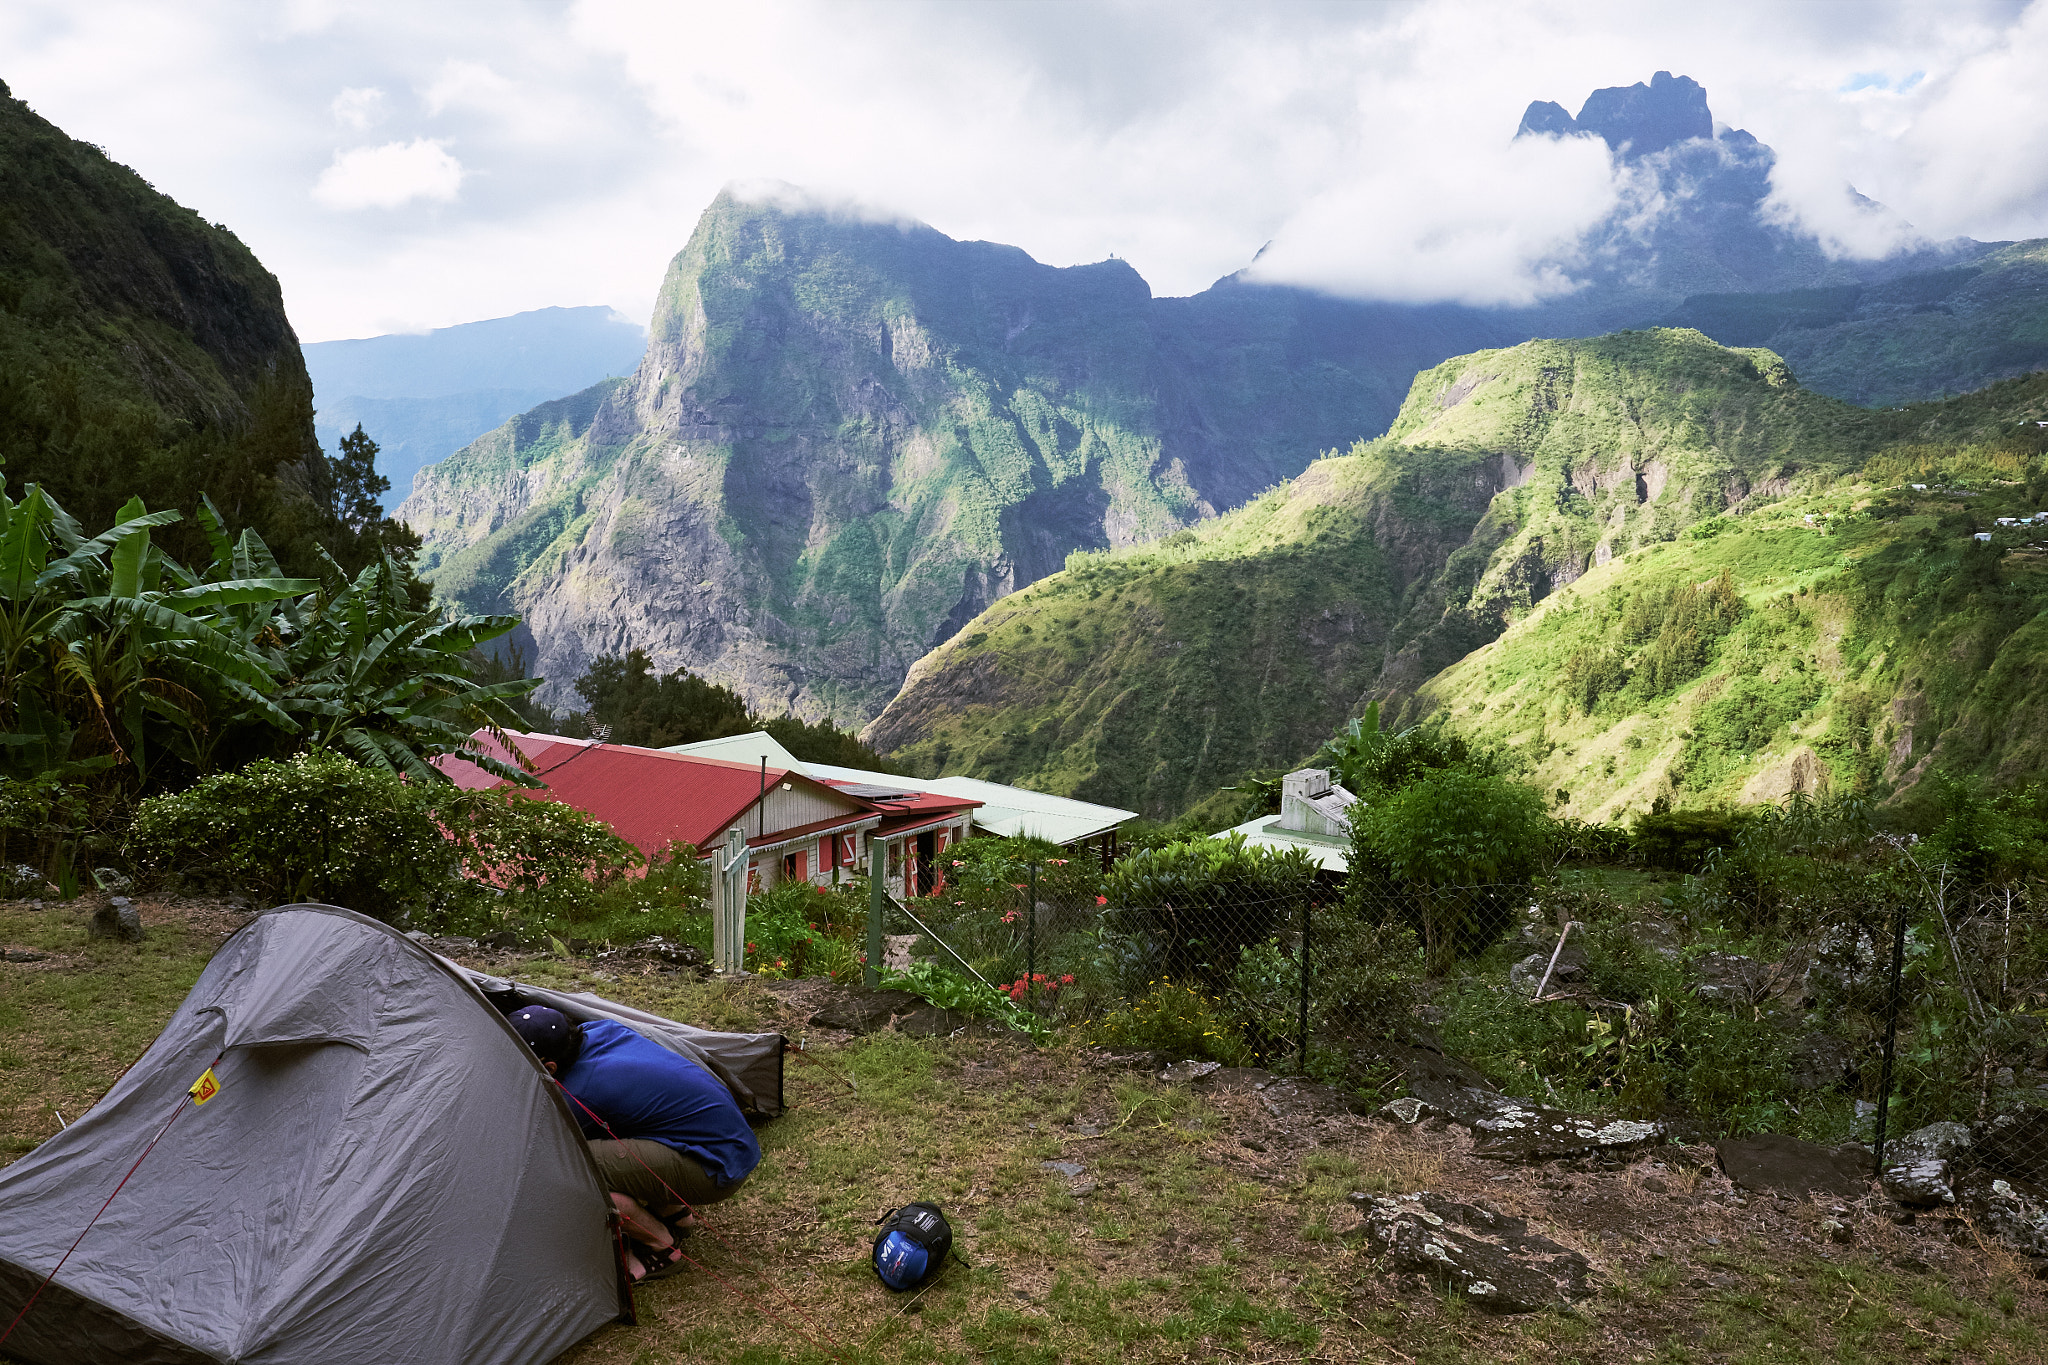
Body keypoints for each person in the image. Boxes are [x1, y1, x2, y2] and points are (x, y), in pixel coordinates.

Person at [509, 1005, 761, 1280]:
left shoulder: (583, 1092)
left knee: (569, 1163)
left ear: (550, 1067)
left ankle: (662, 1248)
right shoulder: (602, 1029)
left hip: (714, 1168)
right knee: (607, 1132)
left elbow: (537, 1142)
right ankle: (674, 1214)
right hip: (725, 1142)